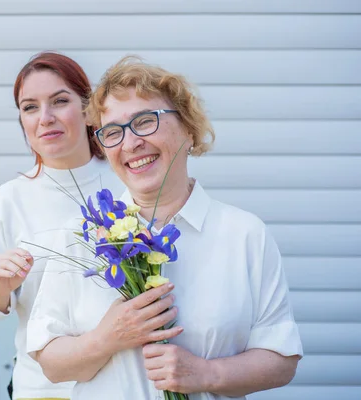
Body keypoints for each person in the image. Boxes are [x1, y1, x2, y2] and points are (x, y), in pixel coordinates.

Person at [27, 56, 303, 399]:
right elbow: (51, 363)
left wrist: (206, 374)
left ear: (188, 128)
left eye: (144, 122)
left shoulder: (245, 234)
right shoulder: (82, 236)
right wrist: (107, 338)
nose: (129, 144)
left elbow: (281, 360)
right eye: (112, 132)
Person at [0, 52, 124, 400]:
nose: (45, 118)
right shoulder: (10, 199)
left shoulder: (127, 184)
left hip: (125, 385)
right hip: (42, 389)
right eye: (30, 107)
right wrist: (0, 288)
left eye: (59, 101)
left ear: (88, 109)